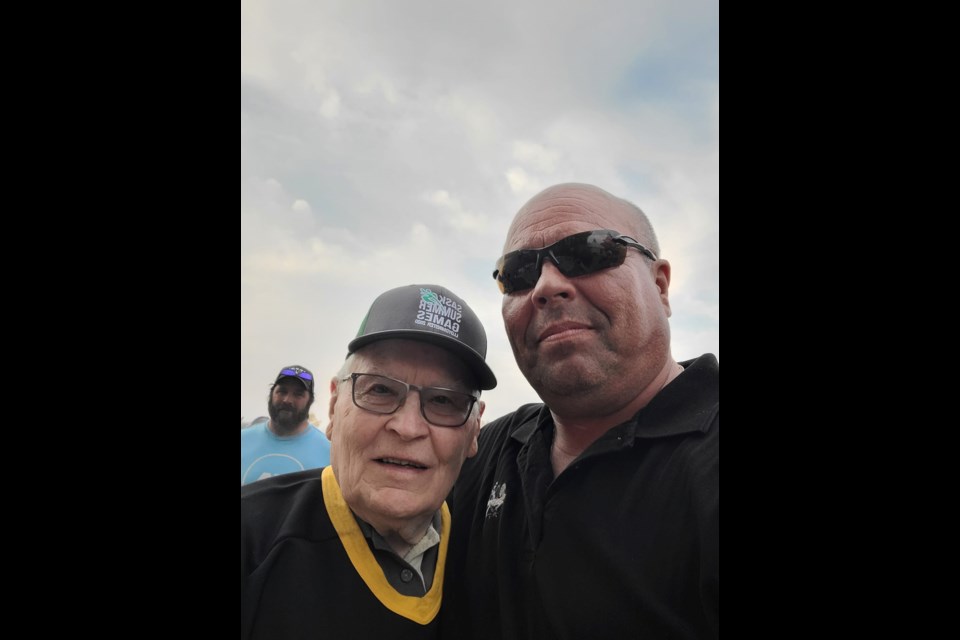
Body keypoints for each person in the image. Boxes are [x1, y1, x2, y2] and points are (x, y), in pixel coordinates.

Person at [444, 183, 719, 639]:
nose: (547, 286)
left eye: (589, 252)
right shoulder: (485, 450)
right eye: (518, 273)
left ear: (661, 285)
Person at [241, 285, 496, 639]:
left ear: (473, 431)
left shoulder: (493, 550)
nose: (407, 428)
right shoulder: (252, 543)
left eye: (443, 400)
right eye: (379, 390)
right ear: (333, 407)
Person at [240, 365, 331, 485]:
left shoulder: (329, 454)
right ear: (271, 393)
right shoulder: (244, 440)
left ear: (310, 401)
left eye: (298, 394)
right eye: (282, 391)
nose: (287, 400)